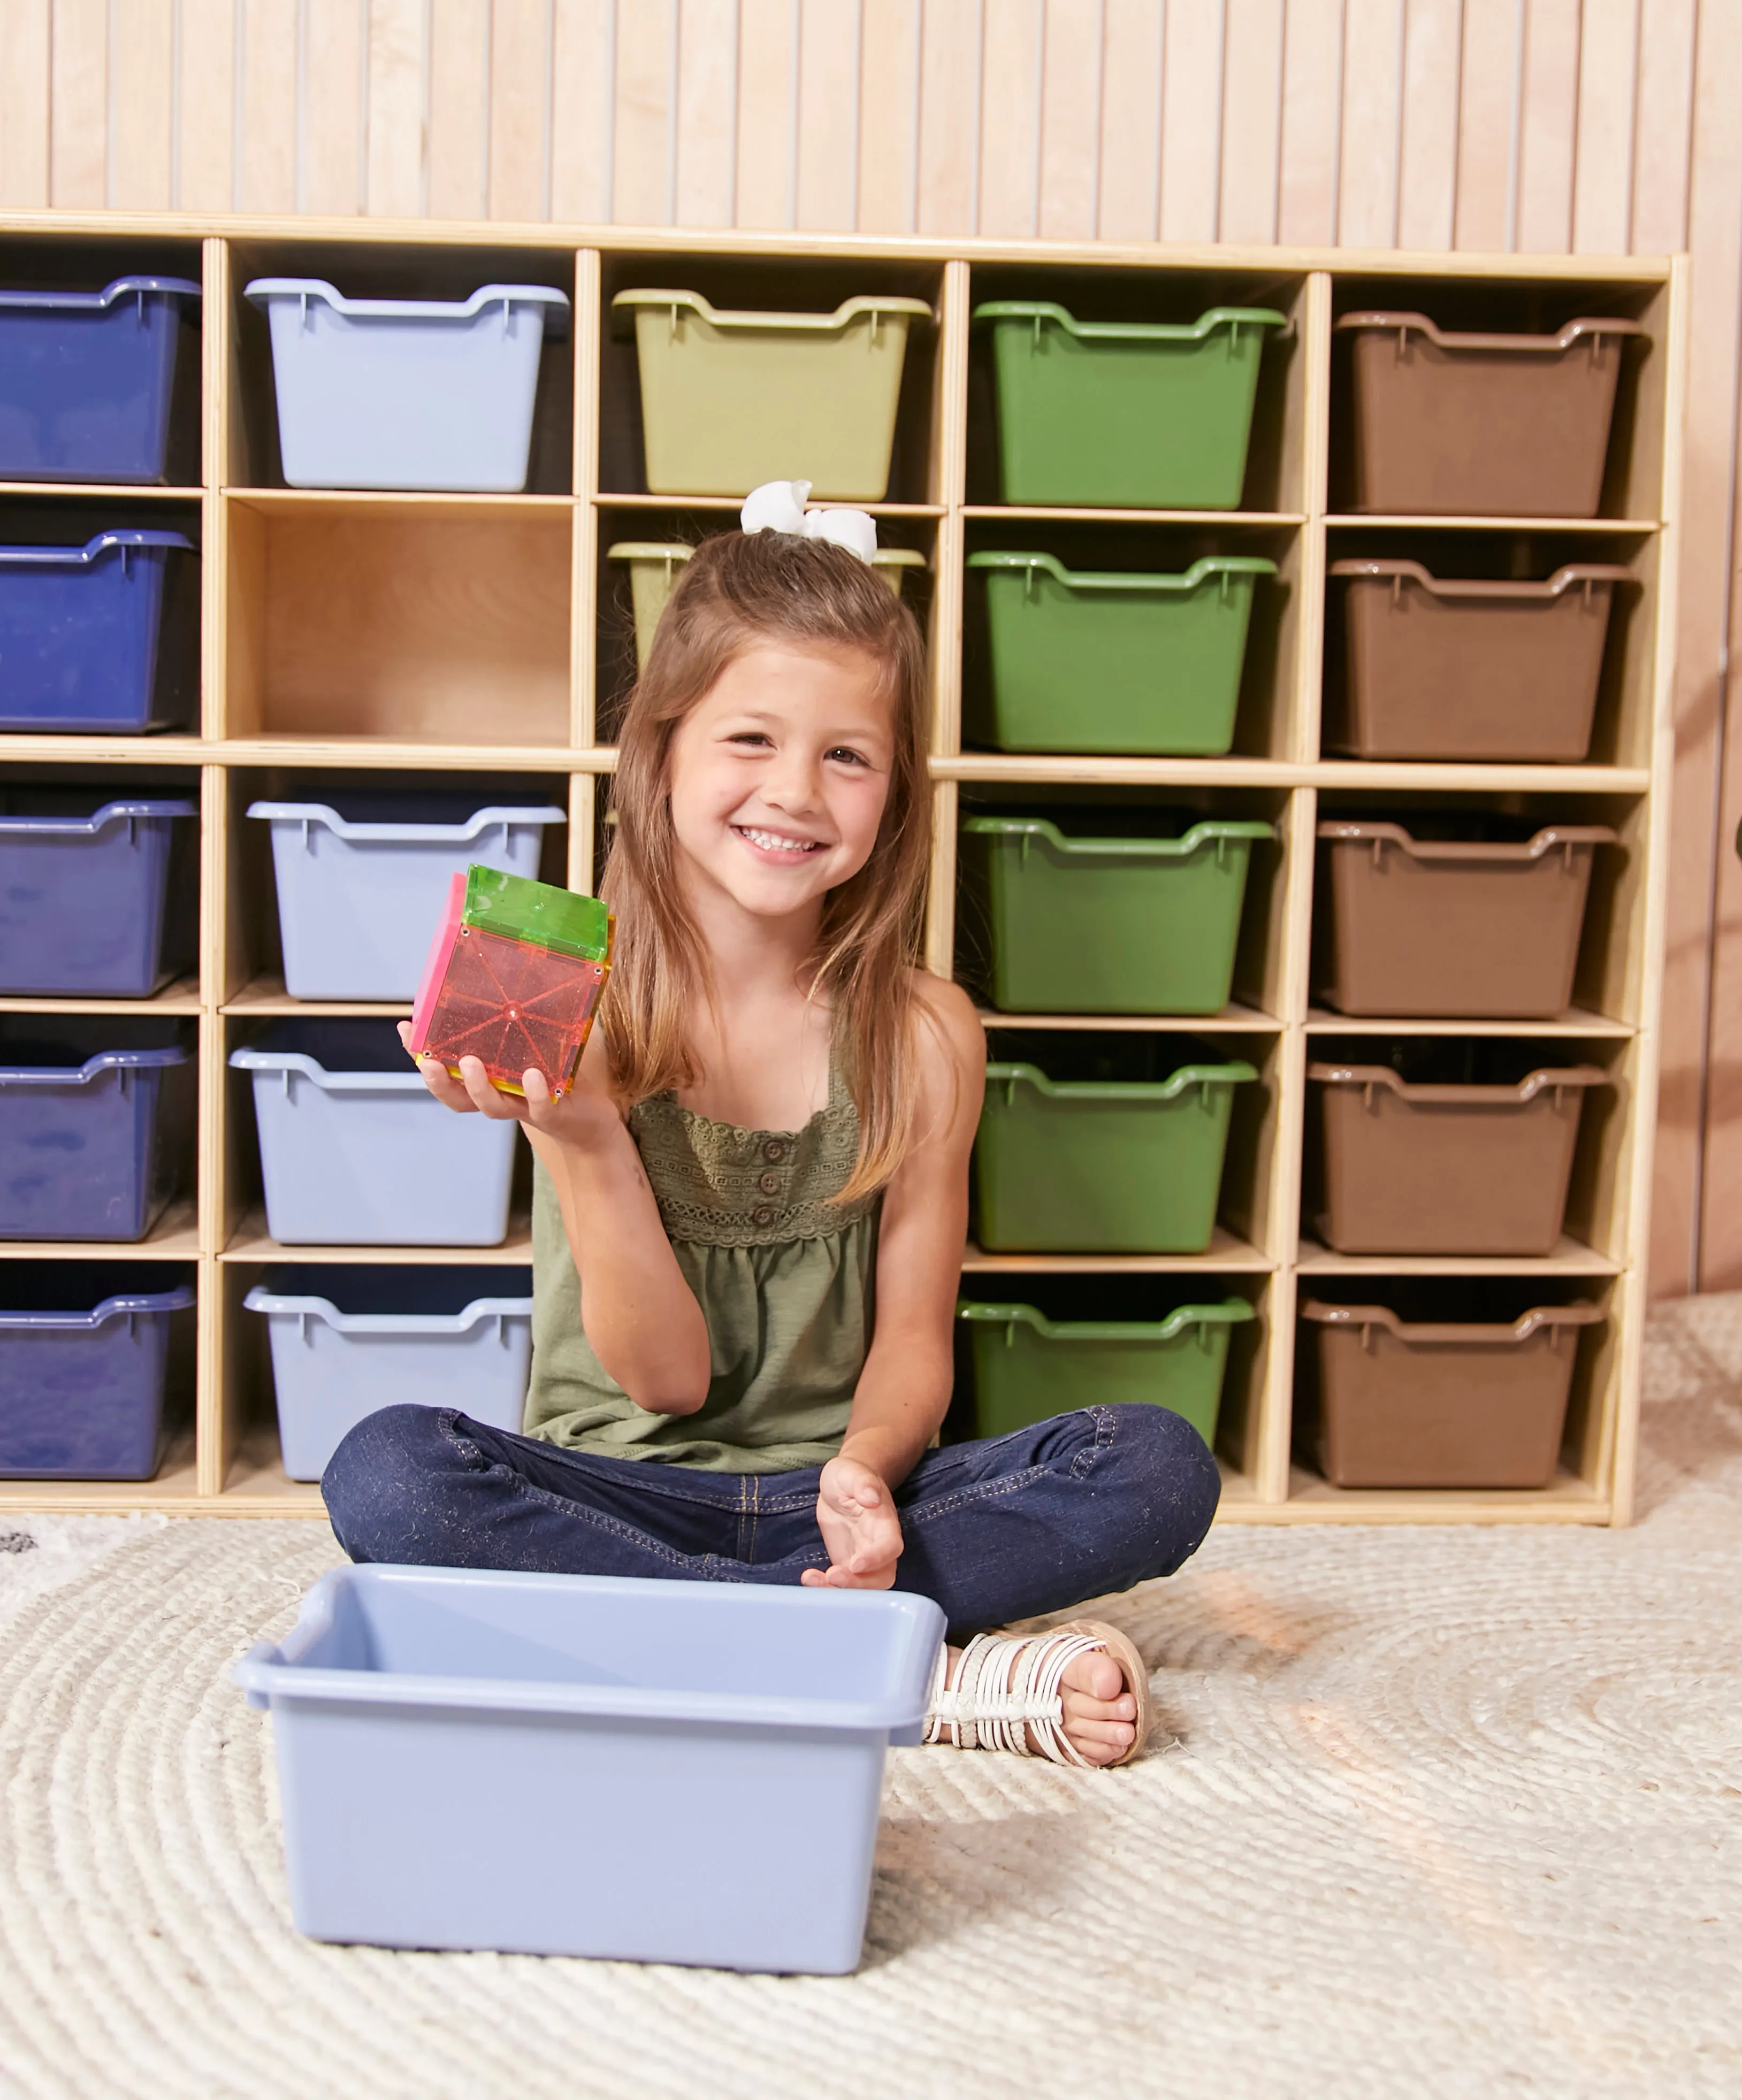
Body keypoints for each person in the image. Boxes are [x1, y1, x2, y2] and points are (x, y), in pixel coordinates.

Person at [321, 485, 1220, 1769]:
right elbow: (664, 1384)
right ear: (665, 747)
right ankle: (910, 1672)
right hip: (619, 1493)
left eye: (845, 755)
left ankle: (686, 1641)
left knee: (1154, 1462)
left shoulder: (923, 1033)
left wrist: (862, 1468)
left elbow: (913, 1347)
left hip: (847, 1511)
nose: (793, 792)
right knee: (389, 1473)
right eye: (749, 738)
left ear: (891, 791)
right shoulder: (571, 997)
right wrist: (578, 1135)